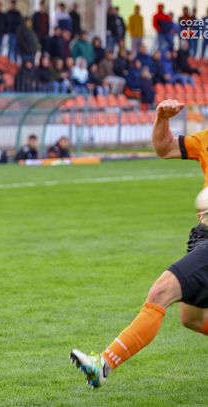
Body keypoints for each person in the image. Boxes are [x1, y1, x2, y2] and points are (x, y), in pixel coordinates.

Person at [70, 99, 208, 388]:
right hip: (202, 235)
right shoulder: (204, 140)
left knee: (161, 291)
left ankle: (103, 365)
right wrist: (162, 118)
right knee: (192, 318)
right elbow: (164, 147)